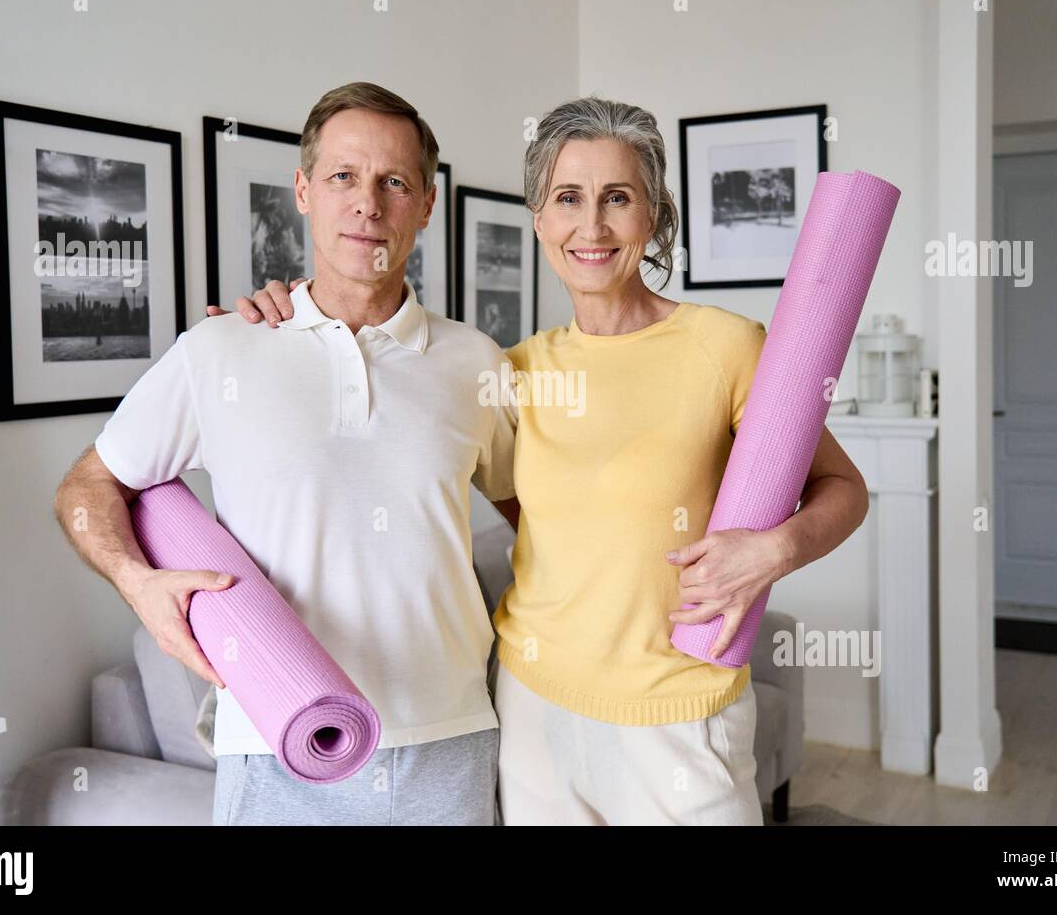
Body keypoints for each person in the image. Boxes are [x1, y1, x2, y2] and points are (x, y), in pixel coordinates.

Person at [222, 96, 869, 825]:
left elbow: (843, 487)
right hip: (533, 715)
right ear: (540, 219)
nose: (591, 226)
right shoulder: (510, 371)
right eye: (568, 198)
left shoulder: (727, 347)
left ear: (652, 214)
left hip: (682, 715)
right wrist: (277, 322)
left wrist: (773, 550)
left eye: (617, 198)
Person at [53, 82, 518, 826]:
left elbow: (536, 511)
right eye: (343, 177)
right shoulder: (219, 349)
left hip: (449, 738)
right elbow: (87, 485)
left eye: (394, 182)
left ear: (425, 205)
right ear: (303, 191)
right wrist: (136, 582)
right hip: (277, 735)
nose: (368, 204)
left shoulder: (475, 361)